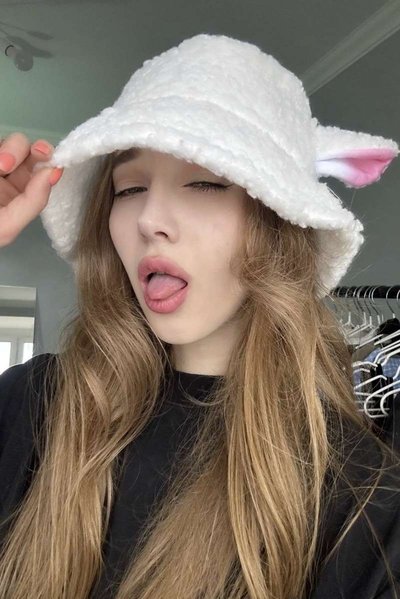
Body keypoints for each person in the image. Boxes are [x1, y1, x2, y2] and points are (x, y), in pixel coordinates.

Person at [0, 33, 399, 599]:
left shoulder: (362, 497)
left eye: (205, 183)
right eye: (129, 188)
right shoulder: (33, 405)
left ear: (276, 224)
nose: (149, 219)